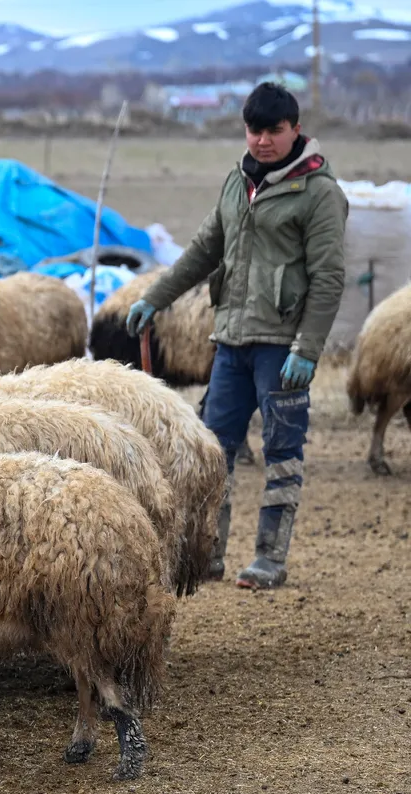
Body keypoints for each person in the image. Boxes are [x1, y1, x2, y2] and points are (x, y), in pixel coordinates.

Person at [126, 82, 348, 590]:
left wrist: (307, 349)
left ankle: (270, 557)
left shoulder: (318, 192)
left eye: (274, 130)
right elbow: (205, 248)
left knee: (281, 450)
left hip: (282, 347)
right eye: (254, 130)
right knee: (211, 450)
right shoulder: (237, 181)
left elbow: (329, 277)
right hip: (231, 341)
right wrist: (154, 297)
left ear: (295, 129)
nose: (263, 141)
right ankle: (209, 553)